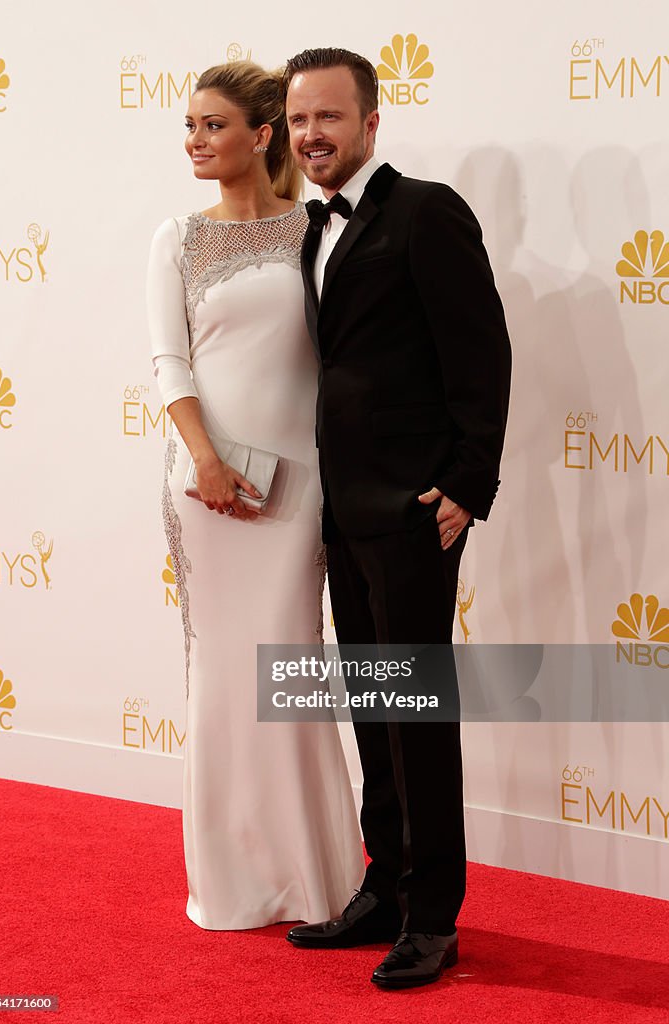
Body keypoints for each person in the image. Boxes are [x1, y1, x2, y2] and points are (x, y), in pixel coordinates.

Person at [282, 48, 511, 987]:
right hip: (343, 509)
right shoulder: (310, 226)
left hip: (417, 511)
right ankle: (383, 884)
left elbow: (481, 350)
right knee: (375, 709)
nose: (311, 136)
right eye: (298, 121)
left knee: (416, 717)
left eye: (329, 118)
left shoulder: (426, 211)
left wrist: (468, 484)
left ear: (372, 122)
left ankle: (433, 915)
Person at [146, 60, 364, 930]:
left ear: (262, 133)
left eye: (213, 126)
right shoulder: (178, 237)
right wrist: (201, 458)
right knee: (223, 678)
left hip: (299, 489)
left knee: (293, 668)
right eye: (190, 127)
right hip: (204, 489)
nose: (195, 142)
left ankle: (316, 878)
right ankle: (233, 882)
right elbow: (170, 363)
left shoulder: (315, 229)